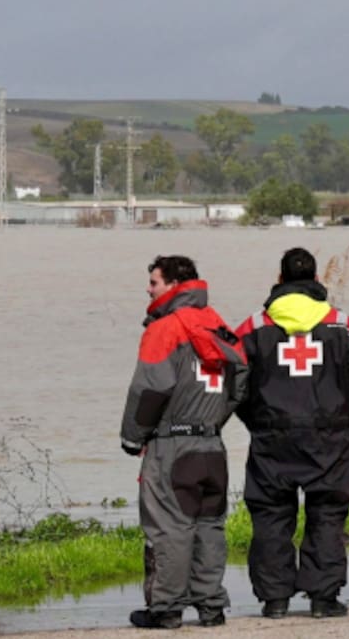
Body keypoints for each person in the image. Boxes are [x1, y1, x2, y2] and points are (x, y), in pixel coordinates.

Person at [232, 247, 349, 619]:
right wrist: (341, 421)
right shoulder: (344, 327)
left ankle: (275, 600)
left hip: (271, 437)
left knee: (270, 514)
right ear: (316, 279)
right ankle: (323, 599)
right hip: (328, 436)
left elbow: (234, 386)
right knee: (327, 512)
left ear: (279, 280)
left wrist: (258, 422)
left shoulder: (252, 328)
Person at [119, 255, 249, 630]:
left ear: (174, 285)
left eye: (154, 282)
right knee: (209, 527)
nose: (148, 289)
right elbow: (241, 379)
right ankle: (211, 606)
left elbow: (149, 389)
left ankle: (166, 609)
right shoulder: (219, 324)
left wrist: (133, 437)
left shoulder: (164, 329)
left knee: (169, 528)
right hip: (212, 447)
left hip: (172, 446)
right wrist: (214, 420)